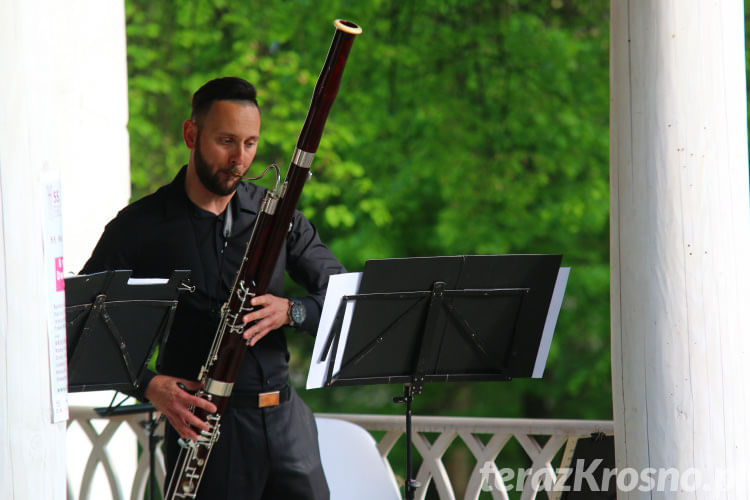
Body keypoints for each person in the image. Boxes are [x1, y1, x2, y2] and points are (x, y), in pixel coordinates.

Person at [82, 77, 344, 499]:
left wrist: (292, 311)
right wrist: (147, 384)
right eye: (226, 141)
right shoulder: (140, 226)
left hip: (286, 426)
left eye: (250, 143)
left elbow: (343, 296)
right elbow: (78, 326)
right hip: (205, 430)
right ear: (191, 134)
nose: (239, 159)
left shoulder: (277, 215)